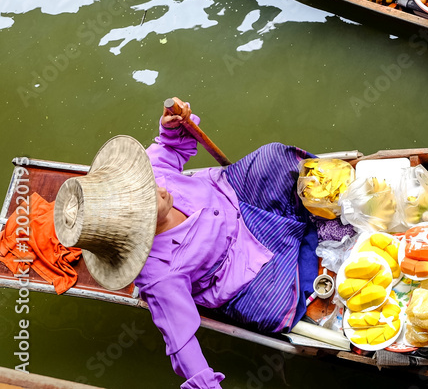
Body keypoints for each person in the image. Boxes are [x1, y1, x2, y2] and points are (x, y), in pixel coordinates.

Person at [53, 100, 321, 389]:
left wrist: (170, 128)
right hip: (238, 268)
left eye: (147, 185)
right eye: (148, 198)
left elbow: (169, 151)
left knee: (274, 158)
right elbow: (181, 342)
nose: (159, 187)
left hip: (232, 196)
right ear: (136, 226)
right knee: (271, 310)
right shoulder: (159, 276)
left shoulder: (146, 176)